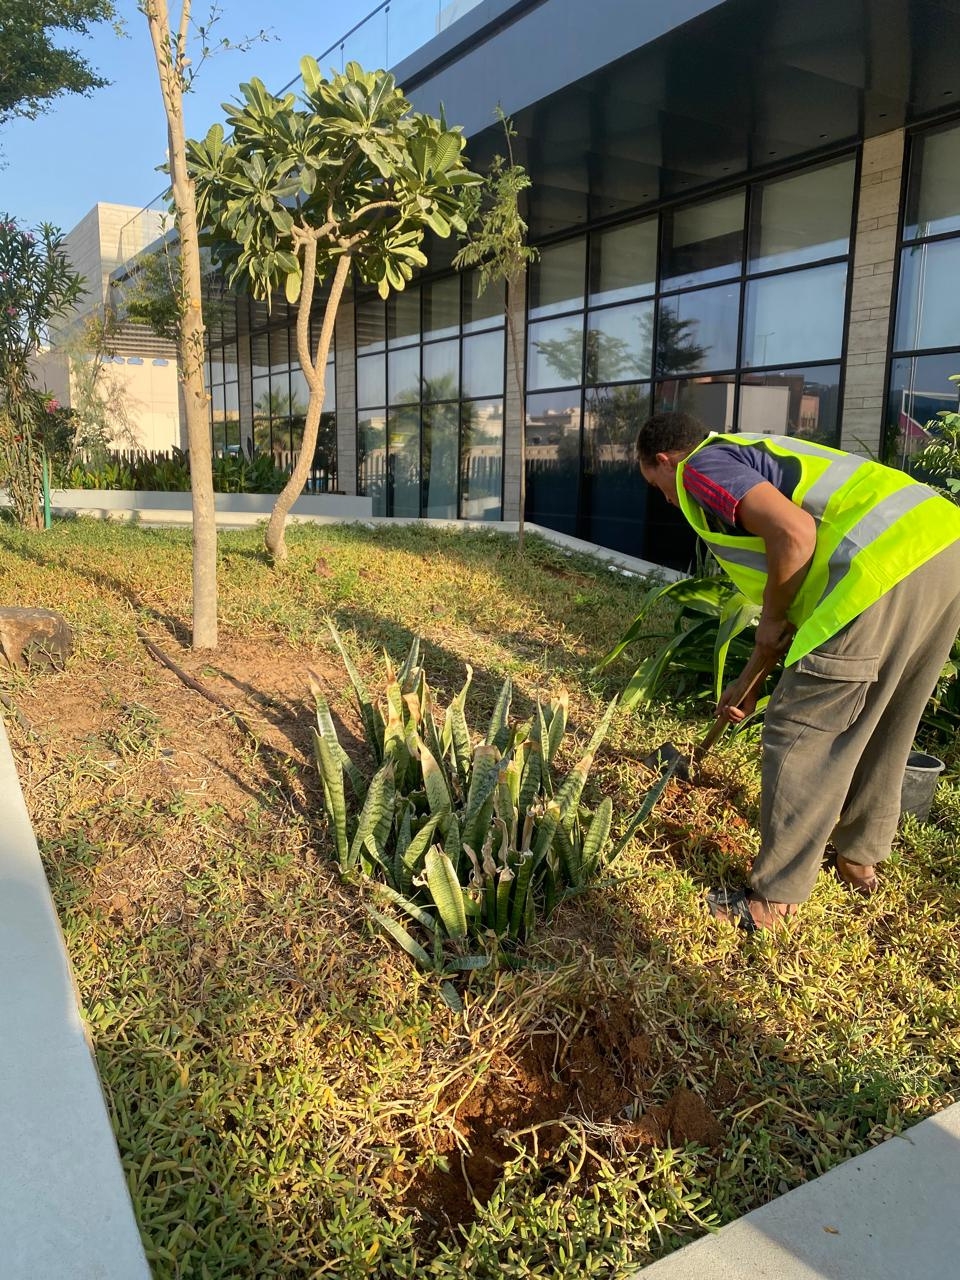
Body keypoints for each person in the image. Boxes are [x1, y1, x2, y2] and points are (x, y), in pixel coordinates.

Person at [636, 411, 960, 931]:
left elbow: (793, 532)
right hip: (940, 546)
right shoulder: (756, 451)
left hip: (878, 567)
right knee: (887, 715)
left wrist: (769, 621)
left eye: (657, 486)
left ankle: (773, 899)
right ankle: (860, 855)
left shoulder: (700, 467)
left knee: (801, 728)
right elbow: (794, 585)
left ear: (664, 460)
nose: (668, 500)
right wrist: (751, 675)